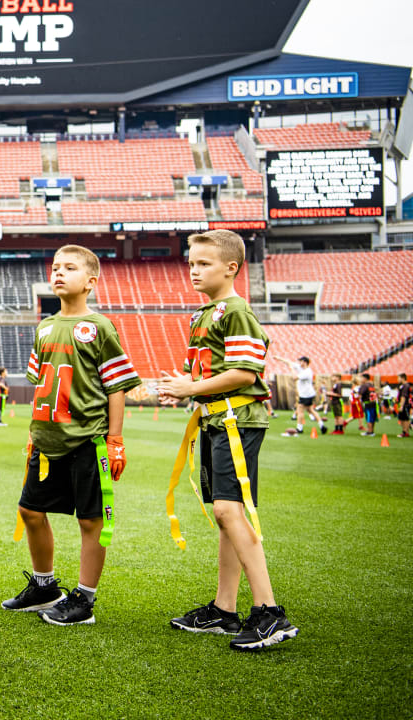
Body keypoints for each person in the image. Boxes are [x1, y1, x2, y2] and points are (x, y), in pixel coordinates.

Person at [158, 229, 297, 651]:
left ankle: (270, 612)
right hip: (216, 421)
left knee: (230, 510)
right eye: (192, 263)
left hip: (238, 421)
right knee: (225, 514)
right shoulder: (203, 314)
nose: (194, 271)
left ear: (231, 267)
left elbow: (245, 373)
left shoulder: (236, 311)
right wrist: (184, 386)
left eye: (204, 263)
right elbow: (203, 374)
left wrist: (191, 390)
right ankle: (224, 608)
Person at [1, 245, 139, 627]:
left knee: (90, 521)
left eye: (70, 268)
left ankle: (85, 599)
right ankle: (45, 586)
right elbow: (42, 385)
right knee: (30, 510)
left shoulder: (100, 327)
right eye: (56, 267)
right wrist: (33, 431)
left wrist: (115, 439)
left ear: (91, 282)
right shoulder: (44, 326)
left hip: (85, 439)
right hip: (47, 441)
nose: (59, 273)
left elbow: (116, 386)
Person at [274, 356, 324, 436]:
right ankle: (322, 425)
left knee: (300, 410)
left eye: (301, 361)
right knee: (311, 410)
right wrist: (279, 358)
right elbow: (289, 362)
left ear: (305, 362)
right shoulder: (303, 369)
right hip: (307, 394)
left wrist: (291, 369)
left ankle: (299, 428)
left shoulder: (307, 372)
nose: (299, 363)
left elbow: (294, 378)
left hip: (306, 394)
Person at [396, 373, 411, 438]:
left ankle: (405, 432)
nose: (397, 379)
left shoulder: (405, 386)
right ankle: (405, 432)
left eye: (398, 378)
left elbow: (403, 396)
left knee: (405, 419)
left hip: (405, 405)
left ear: (402, 378)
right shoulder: (404, 386)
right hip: (404, 404)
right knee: (403, 418)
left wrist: (401, 405)